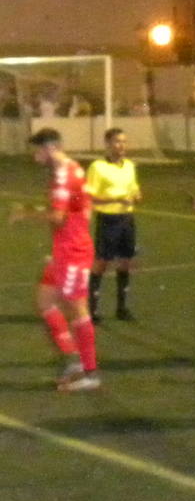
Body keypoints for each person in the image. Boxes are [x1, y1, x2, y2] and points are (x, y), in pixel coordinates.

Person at [8, 128, 100, 391]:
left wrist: (25, 215)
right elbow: (80, 209)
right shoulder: (74, 168)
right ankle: (74, 360)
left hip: (73, 252)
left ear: (49, 147)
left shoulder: (63, 174)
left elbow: (58, 217)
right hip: (66, 248)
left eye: (36, 150)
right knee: (45, 300)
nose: (34, 156)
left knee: (78, 309)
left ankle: (90, 373)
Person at [85, 127, 141, 323]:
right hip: (108, 221)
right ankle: (92, 310)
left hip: (127, 219)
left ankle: (122, 308)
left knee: (126, 261)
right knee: (101, 263)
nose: (122, 145)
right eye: (117, 141)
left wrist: (136, 195)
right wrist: (116, 199)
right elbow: (89, 196)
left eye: (124, 141)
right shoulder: (97, 167)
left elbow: (134, 189)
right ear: (107, 144)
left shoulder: (129, 166)